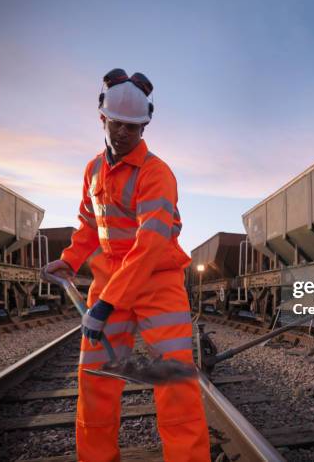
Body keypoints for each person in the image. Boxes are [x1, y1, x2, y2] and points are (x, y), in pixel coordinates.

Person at [43, 69, 211, 462]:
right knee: (95, 381)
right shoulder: (93, 171)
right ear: (103, 119)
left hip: (158, 285)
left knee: (174, 384)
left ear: (145, 125)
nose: (123, 133)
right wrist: (69, 260)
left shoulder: (158, 174)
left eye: (133, 128)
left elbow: (150, 245)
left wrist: (103, 306)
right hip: (108, 283)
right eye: (117, 124)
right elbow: (89, 223)